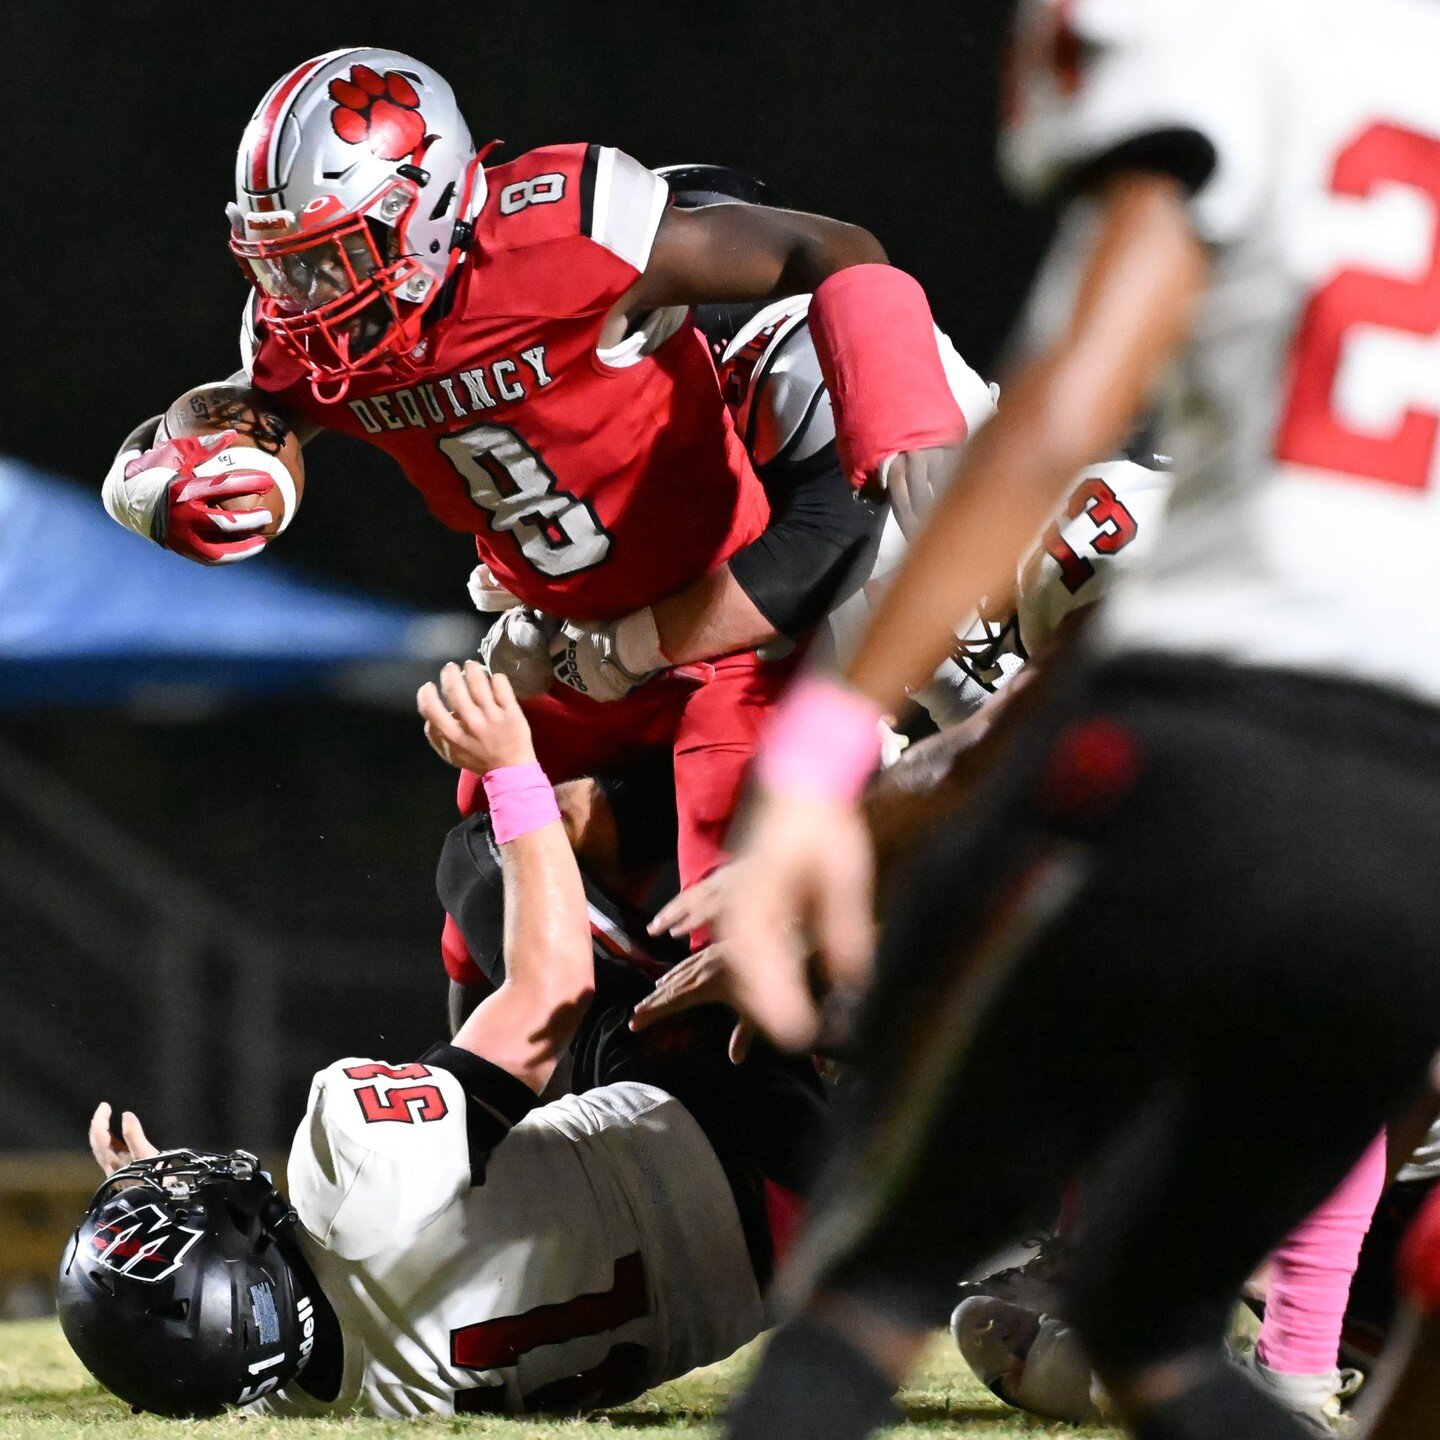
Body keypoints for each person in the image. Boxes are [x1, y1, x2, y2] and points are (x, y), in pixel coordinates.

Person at [701, 2, 1440, 1439]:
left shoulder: (1239, 53)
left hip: (1211, 744)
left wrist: (813, 757)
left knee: (868, 1292)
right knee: (1159, 1341)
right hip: (1418, 816)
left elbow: (1061, 402)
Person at [99, 49, 967, 911]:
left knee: (740, 914)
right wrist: (172, 472)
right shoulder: (330, 331)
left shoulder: (562, 240)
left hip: (729, 632)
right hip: (558, 653)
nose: (302, 298)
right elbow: (239, 410)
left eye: (328, 259)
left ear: (425, 207)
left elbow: (831, 249)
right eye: (283, 265)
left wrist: (903, 411)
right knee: (487, 893)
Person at [58, 665, 826, 1419]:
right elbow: (553, 993)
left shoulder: (307, 1399)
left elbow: (217, 1330)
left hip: (790, 1265)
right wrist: (510, 764)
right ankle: (825, 774)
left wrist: (172, 1217)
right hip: (748, 1125)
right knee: (485, 854)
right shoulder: (353, 1175)